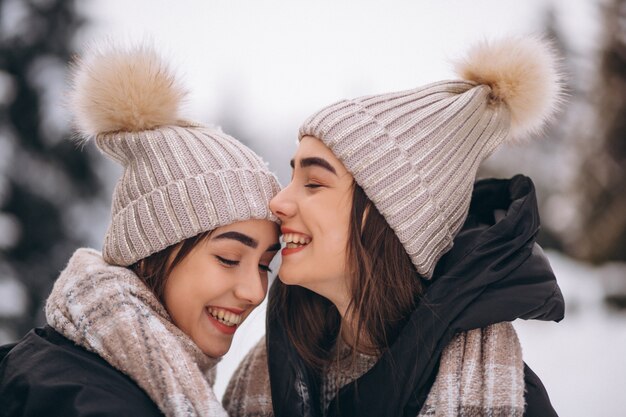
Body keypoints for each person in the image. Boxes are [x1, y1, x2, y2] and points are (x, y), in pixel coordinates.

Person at [223, 36, 565, 416]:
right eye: (292, 178)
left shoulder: (508, 396)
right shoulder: (271, 370)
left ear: (391, 218)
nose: (279, 202)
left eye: (314, 183)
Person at [0, 44, 281, 417]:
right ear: (151, 250)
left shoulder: (71, 371)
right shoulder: (87, 403)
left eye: (264, 264)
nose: (254, 291)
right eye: (229, 258)